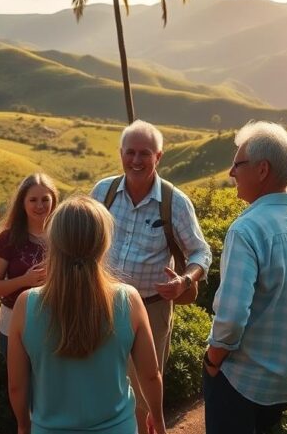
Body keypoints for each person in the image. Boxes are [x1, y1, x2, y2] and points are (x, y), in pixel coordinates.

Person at [205, 121, 287, 434]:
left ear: (262, 170)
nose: (231, 172)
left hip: (242, 382)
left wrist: (212, 360)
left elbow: (232, 317)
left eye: (238, 164)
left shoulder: (246, 229)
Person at [91, 120, 212, 433]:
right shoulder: (103, 192)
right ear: (120, 154)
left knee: (146, 384)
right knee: (100, 379)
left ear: (159, 156)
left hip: (151, 307)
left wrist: (185, 281)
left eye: (144, 153)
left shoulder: (175, 202)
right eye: (130, 152)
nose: (136, 160)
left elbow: (201, 253)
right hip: (102, 303)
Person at [7, 196, 166, 434]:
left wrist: (23, 425)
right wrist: (158, 420)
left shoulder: (26, 304)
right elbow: (151, 375)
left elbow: (17, 387)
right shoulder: (128, 299)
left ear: (54, 243)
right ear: (103, 243)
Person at [0, 173, 59, 357]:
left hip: (54, 324)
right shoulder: (8, 239)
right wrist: (24, 280)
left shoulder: (62, 236)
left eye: (45, 199)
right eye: (33, 200)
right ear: (23, 203)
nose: (39, 206)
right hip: (14, 323)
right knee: (19, 384)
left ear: (54, 200)